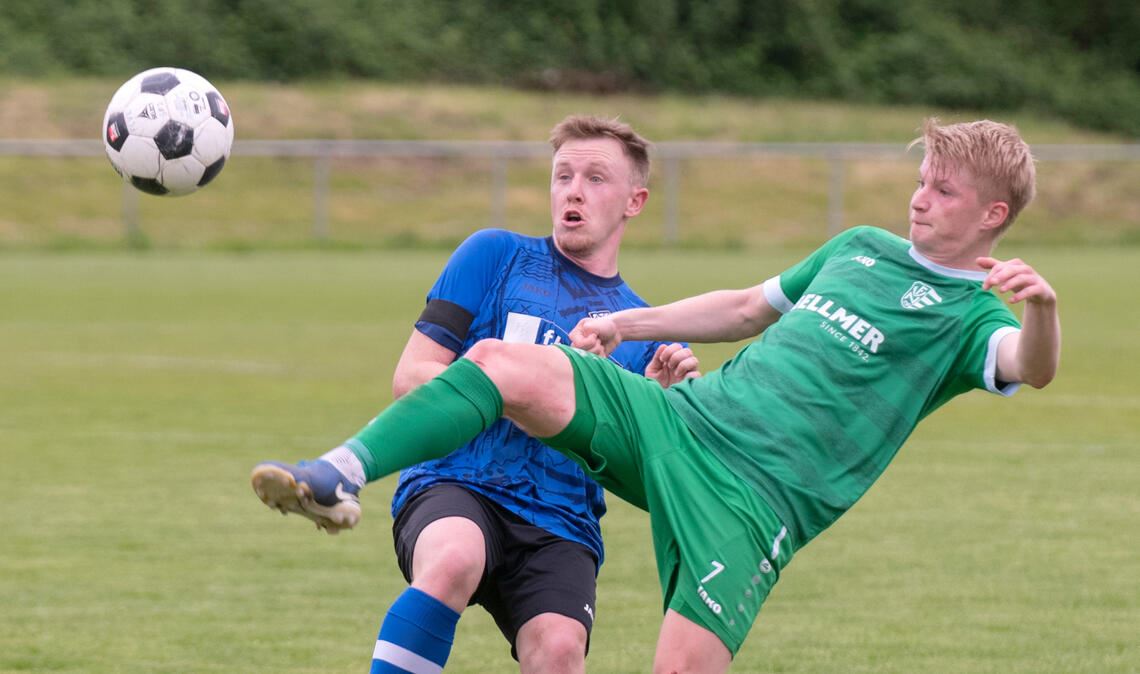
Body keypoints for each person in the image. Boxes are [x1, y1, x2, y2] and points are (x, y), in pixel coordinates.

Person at [254, 117, 1061, 672]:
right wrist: (624, 321)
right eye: (922, 181)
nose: (920, 198)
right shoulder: (858, 249)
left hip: (756, 505)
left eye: (944, 191)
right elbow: (747, 307)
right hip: (686, 424)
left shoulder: (974, 317)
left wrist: (1043, 310)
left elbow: (1028, 365)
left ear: (993, 214)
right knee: (504, 362)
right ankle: (341, 472)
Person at [252, 115, 699, 674]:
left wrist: (656, 406)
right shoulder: (494, 257)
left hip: (560, 521)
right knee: (454, 559)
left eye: (595, 178)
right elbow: (412, 378)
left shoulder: (645, 337)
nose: (574, 190)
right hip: (456, 484)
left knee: (559, 651)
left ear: (635, 201)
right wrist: (517, 392)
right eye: (562, 176)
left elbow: (662, 481)